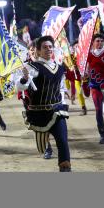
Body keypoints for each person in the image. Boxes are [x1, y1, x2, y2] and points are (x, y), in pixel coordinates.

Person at [17, 36, 71, 172]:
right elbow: (20, 86)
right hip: (39, 113)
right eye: (45, 47)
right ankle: (48, 149)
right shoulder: (32, 67)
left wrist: (63, 100)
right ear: (38, 51)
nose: (48, 49)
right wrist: (24, 79)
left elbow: (60, 88)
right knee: (42, 146)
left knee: (63, 141)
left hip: (57, 111)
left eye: (50, 47)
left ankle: (65, 169)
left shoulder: (59, 68)